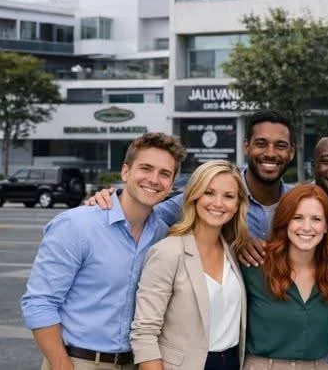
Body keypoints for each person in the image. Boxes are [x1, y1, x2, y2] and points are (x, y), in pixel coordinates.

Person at [21, 132, 186, 370]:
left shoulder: (163, 235)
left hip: (136, 362)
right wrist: (61, 365)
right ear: (126, 172)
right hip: (78, 361)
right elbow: (40, 302)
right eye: (146, 168)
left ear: (171, 184)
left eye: (164, 174)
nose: (154, 179)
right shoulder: (76, 225)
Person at [90, 109, 297, 240]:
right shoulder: (208, 193)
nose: (270, 153)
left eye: (280, 146)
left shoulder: (299, 202)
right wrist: (111, 199)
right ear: (246, 147)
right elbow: (145, 215)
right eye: (261, 144)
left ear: (292, 152)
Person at [130, 160, 249, 370]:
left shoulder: (233, 251)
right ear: (194, 196)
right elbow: (144, 333)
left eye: (228, 196)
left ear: (238, 204)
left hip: (230, 362)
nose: (218, 203)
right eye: (209, 193)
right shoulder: (168, 252)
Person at [241, 184, 328, 370]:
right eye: (297, 218)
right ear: (284, 221)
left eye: (316, 219)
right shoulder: (254, 265)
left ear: (327, 226)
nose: (306, 227)